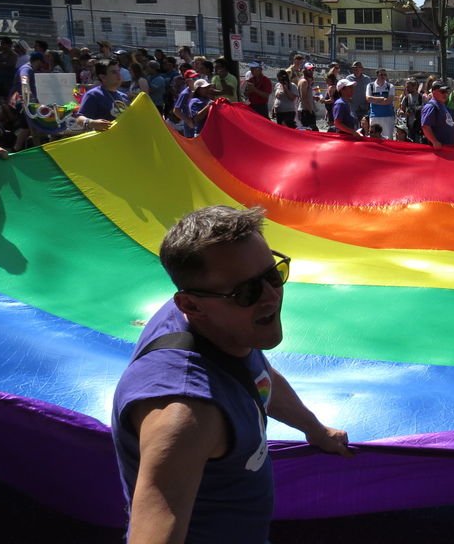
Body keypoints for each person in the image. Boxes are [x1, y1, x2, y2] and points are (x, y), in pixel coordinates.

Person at [111, 205, 351, 543]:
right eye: (247, 292)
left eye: (273, 275)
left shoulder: (222, 327)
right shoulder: (186, 417)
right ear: (190, 305)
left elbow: (257, 377)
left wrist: (314, 429)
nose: (271, 296)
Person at [421, 80, 454, 148]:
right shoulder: (431, 106)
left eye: (446, 92)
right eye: (442, 92)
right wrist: (434, 141)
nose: (445, 94)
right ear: (434, 92)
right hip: (438, 149)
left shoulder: (442, 105)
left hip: (446, 147)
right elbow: (425, 126)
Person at [366, 68, 395, 140]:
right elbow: (368, 99)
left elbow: (389, 101)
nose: (383, 76)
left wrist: (374, 100)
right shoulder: (370, 86)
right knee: (374, 139)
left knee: (388, 139)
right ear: (377, 75)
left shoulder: (390, 86)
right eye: (381, 74)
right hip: (374, 116)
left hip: (388, 117)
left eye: (385, 75)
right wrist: (381, 99)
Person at [296, 63, 318, 131]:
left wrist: (313, 97)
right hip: (306, 111)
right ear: (304, 70)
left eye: (312, 69)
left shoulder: (306, 81)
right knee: (310, 132)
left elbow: (306, 96)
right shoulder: (304, 82)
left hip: (307, 110)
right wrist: (310, 111)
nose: (312, 71)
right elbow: (303, 98)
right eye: (309, 70)